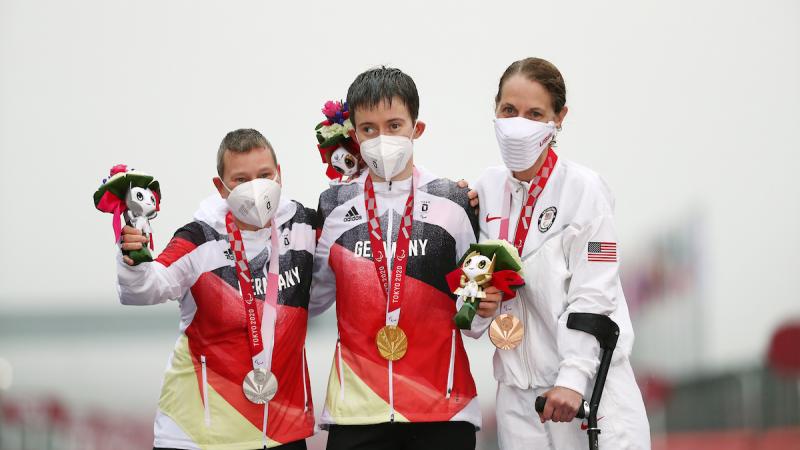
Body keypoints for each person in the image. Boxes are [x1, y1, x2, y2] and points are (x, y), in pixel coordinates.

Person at [465, 58, 651, 449]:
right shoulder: (484, 189)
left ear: (559, 118)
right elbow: (472, 307)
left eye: (535, 114)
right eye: (509, 111)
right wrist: (478, 306)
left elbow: (595, 293)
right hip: (517, 399)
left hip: (588, 397)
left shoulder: (586, 191)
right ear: (495, 111)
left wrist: (573, 379)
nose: (519, 124)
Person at [310, 66, 498, 450]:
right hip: (356, 412)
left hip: (443, 410)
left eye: (394, 125)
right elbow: (312, 301)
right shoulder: (332, 205)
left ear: (417, 128)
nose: (383, 138)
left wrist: (483, 309)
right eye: (369, 129)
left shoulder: (455, 201)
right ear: (354, 135)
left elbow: (475, 319)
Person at [116, 129, 316, 449]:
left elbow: (334, 287)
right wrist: (131, 259)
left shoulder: (304, 226)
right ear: (220, 188)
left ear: (279, 176)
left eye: (264, 175)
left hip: (282, 433)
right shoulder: (199, 237)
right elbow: (142, 289)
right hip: (198, 435)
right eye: (240, 179)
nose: (254, 188)